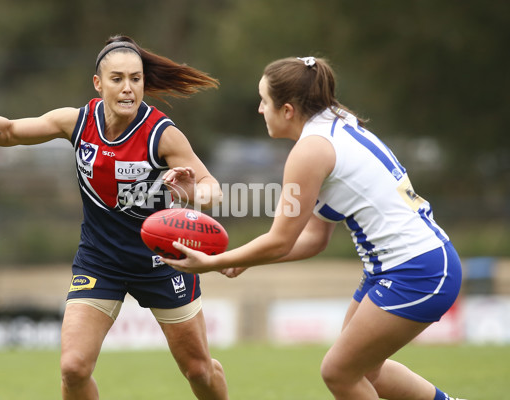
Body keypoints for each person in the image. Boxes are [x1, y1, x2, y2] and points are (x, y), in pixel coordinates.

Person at [164, 56, 465, 400]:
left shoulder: (309, 151)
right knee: (366, 372)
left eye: (264, 101)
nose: (261, 110)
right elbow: (313, 238)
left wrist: (212, 262)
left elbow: (280, 240)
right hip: (402, 266)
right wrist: (244, 259)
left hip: (418, 269)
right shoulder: (333, 125)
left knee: (338, 372)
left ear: (288, 110)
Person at [0, 35, 228, 400]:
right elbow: (6, 133)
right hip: (100, 262)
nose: (128, 87)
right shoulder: (76, 122)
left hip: (162, 264)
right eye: (117, 78)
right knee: (73, 368)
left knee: (198, 369)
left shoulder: (162, 134)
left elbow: (214, 190)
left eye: (136, 78)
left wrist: (192, 189)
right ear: (98, 84)